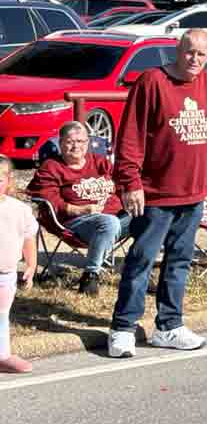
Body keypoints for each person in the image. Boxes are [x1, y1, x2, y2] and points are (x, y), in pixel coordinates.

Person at [107, 29, 207, 359]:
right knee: (141, 260)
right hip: (156, 194)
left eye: (202, 55)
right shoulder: (152, 81)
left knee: (180, 261)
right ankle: (123, 328)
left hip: (193, 192)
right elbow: (130, 136)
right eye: (190, 52)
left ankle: (169, 326)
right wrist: (130, 182)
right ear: (178, 50)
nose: (195, 60)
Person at [28, 121, 130, 295]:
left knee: (150, 215)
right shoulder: (52, 167)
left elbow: (122, 185)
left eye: (81, 141)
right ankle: (91, 275)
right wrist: (79, 210)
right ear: (60, 144)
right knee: (109, 222)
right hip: (76, 223)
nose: (76, 146)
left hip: (119, 219)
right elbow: (47, 199)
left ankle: (137, 272)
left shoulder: (100, 162)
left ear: (88, 143)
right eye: (70, 142)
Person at [0, 156, 37, 373]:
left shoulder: (19, 209)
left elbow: (28, 237)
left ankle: (3, 355)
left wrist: (31, 266)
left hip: (6, 274)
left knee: (2, 314)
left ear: (8, 180)